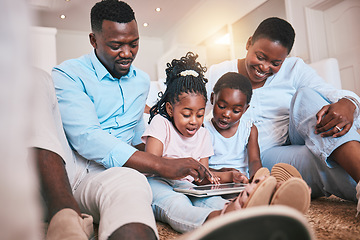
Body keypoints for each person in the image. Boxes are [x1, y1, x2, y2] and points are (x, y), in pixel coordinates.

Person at [52, 1, 213, 239]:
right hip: (83, 173)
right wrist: (160, 165)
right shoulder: (68, 74)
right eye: (116, 45)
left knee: (156, 188)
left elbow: (138, 133)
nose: (127, 53)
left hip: (129, 169)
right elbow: (88, 138)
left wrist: (176, 160)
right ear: (93, 40)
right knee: (133, 183)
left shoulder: (141, 81)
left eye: (134, 43)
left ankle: (230, 213)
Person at [205, 17, 360, 214]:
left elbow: (331, 94)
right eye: (260, 57)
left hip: (298, 133)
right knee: (321, 161)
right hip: (264, 156)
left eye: (275, 63)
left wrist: (349, 103)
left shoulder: (294, 68)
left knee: (307, 96)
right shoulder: (218, 72)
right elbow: (187, 101)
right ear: (249, 43)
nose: (264, 67)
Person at [141, 52, 292, 233]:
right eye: (186, 114)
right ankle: (218, 221)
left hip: (189, 186)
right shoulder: (161, 123)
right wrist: (180, 167)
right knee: (178, 205)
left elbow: (203, 178)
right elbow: (152, 163)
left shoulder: (203, 134)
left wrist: (229, 177)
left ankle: (246, 210)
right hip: (160, 183)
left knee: (211, 200)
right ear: (170, 109)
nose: (194, 121)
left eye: (199, 114)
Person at [204, 72, 261, 182]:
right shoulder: (204, 129)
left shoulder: (249, 129)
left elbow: (255, 161)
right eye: (221, 106)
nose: (226, 114)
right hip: (215, 181)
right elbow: (201, 167)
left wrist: (256, 180)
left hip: (241, 183)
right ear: (212, 98)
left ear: (245, 109)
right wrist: (223, 173)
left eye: (236, 111)